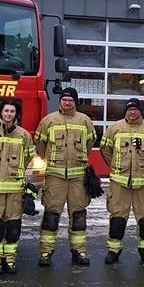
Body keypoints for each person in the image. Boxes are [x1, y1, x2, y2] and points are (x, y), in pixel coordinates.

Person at [34, 87, 98, 266]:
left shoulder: (84, 121)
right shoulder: (49, 120)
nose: (67, 102)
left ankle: (79, 252)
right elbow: (40, 143)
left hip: (78, 177)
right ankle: (46, 253)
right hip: (55, 177)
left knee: (78, 215)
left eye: (70, 100)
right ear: (60, 101)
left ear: (75, 102)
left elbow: (90, 142)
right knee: (51, 215)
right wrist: (49, 160)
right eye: (64, 99)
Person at [99, 98, 144, 265]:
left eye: (135, 109)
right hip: (119, 183)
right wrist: (114, 165)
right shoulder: (115, 128)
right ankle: (114, 250)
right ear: (126, 111)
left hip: (143, 183)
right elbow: (105, 149)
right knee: (117, 218)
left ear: (140, 111)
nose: (132, 112)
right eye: (129, 109)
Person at [0, 99, 37, 274]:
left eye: (12, 111)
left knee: (13, 226)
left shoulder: (24, 135)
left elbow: (27, 159)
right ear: (1, 113)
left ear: (15, 114)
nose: (9, 114)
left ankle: (9, 260)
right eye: (6, 111)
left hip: (15, 188)